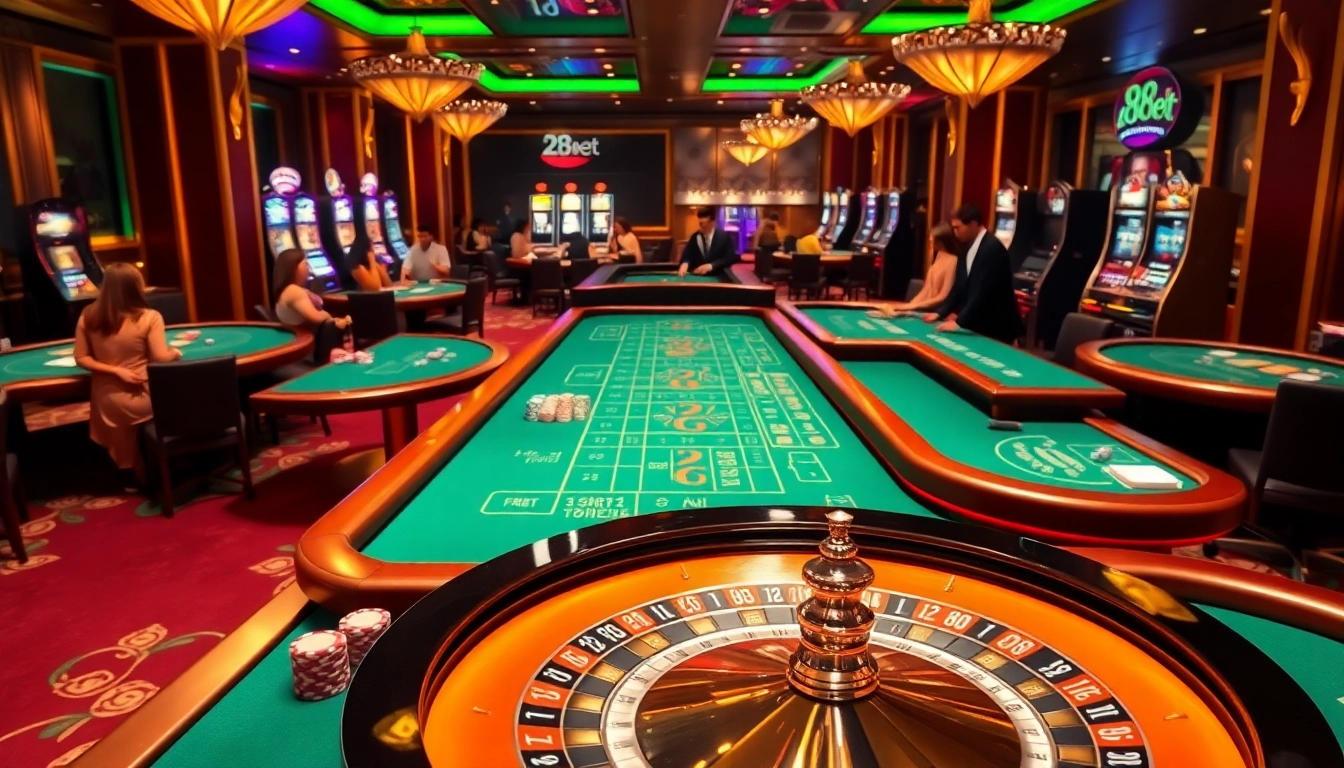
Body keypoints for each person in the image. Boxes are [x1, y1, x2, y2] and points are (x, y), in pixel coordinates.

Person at [73, 263, 181, 486]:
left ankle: (132, 468)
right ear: (135, 287)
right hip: (141, 395)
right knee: (184, 395)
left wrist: (116, 370)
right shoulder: (150, 317)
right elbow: (160, 358)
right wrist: (175, 352)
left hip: (105, 401)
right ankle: (169, 463)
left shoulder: (88, 315)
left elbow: (81, 357)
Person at [924, 204, 1023, 344]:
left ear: (973, 224)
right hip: (978, 325)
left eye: (958, 227)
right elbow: (959, 287)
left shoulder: (992, 248)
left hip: (997, 327)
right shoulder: (967, 247)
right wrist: (941, 312)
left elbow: (984, 291)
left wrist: (959, 322)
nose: (955, 232)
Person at [884, 223, 959, 313]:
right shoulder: (938, 258)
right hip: (926, 311)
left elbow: (943, 296)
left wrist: (913, 306)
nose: (930, 241)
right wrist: (908, 306)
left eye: (932, 240)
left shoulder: (953, 261)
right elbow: (926, 290)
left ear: (941, 241)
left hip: (939, 313)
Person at [272, 248, 351, 332]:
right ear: (293, 267)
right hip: (306, 339)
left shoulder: (289, 289)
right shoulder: (293, 291)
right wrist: (328, 316)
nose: (309, 267)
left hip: (304, 335)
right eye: (305, 264)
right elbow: (317, 318)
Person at [678, 206, 738, 276]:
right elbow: (687, 256)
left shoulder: (724, 237)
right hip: (697, 278)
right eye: (700, 220)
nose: (701, 223)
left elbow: (730, 258)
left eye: (705, 219)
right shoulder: (694, 237)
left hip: (718, 276)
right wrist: (685, 264)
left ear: (712, 220)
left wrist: (711, 266)